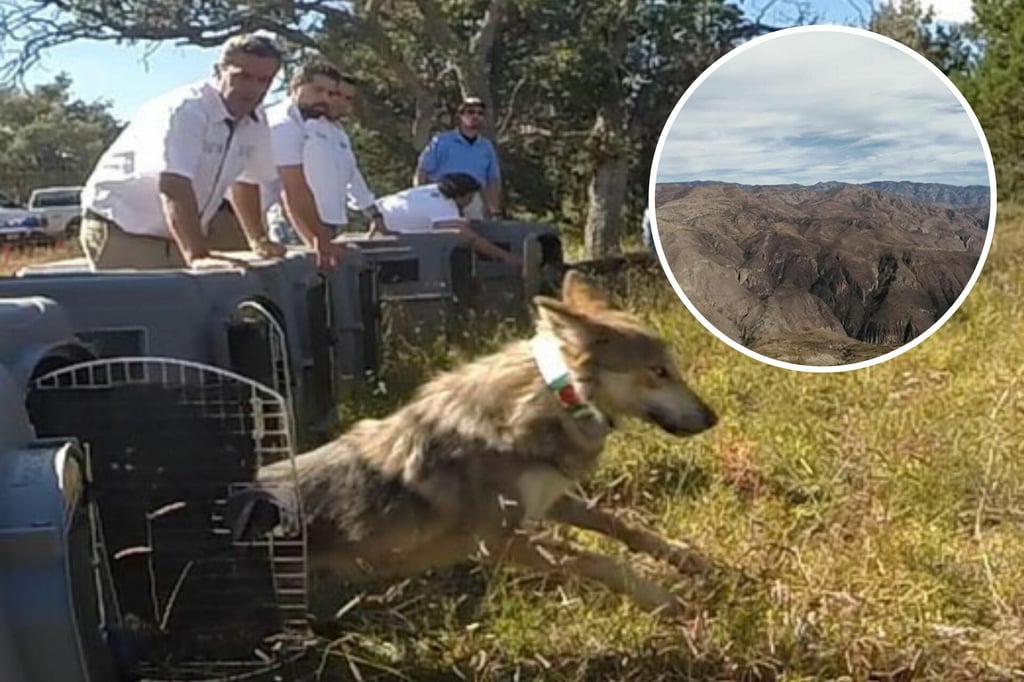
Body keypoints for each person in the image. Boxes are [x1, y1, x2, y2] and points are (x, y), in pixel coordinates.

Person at [79, 33, 286, 270]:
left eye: (264, 81)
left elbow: (246, 181)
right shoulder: (187, 110)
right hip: (123, 226)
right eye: (243, 77)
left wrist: (257, 240)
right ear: (219, 70)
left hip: (175, 234)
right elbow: (174, 184)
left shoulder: (256, 118)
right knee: (153, 304)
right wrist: (197, 254)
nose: (252, 89)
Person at [262, 59, 351, 268]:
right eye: (318, 90)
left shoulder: (309, 124)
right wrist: (316, 240)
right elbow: (292, 190)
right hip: (287, 222)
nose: (324, 99)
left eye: (330, 94)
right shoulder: (283, 125)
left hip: (304, 218)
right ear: (295, 87)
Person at [370, 172, 521, 267]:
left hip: (380, 229)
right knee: (458, 258)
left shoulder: (430, 191)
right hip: (399, 249)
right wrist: (506, 257)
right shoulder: (443, 206)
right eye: (471, 197)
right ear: (464, 196)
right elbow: (467, 237)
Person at [415, 96, 502, 220]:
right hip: (443, 197)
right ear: (460, 116)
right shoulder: (442, 141)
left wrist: (495, 211)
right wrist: (420, 199)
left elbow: (492, 180)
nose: (475, 116)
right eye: (471, 112)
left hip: (472, 200)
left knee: (473, 236)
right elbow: (422, 170)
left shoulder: (486, 147)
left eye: (480, 113)